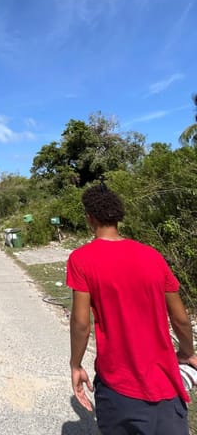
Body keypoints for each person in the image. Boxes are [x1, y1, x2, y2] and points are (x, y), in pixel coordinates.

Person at [66, 183, 197, 435]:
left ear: (90, 218)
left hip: (118, 386)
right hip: (167, 388)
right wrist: (187, 351)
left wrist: (76, 364)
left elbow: (81, 323)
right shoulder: (152, 255)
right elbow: (180, 318)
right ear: (118, 217)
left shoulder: (81, 259)